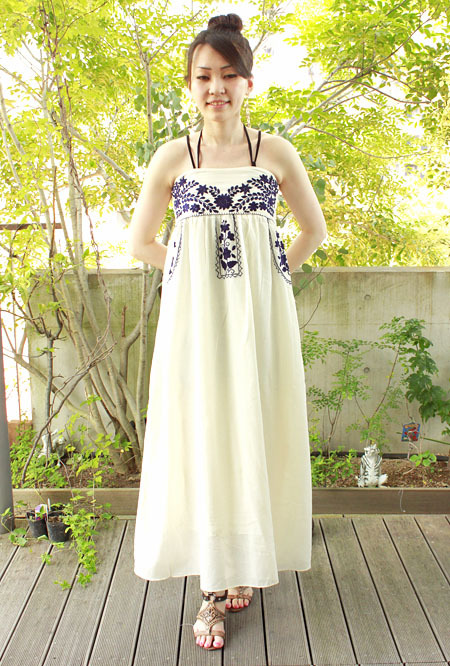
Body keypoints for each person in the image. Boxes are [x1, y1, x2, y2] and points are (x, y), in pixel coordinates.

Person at [129, 13, 327, 652]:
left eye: (228, 74)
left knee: (253, 427)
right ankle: (211, 588)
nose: (216, 87)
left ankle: (245, 563)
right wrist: (188, 276)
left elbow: (312, 231)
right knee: (206, 432)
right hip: (195, 324)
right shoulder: (173, 158)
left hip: (260, 322)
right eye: (203, 76)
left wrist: (270, 277)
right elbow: (141, 242)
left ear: (248, 82)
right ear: (190, 85)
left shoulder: (275, 152)